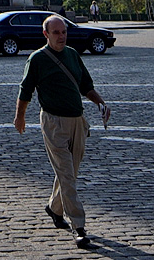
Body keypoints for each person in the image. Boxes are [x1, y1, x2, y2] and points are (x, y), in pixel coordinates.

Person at [14, 14, 112, 248]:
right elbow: (25, 90)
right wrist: (20, 116)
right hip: (53, 122)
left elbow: (86, 86)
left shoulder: (73, 55)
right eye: (56, 32)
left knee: (70, 173)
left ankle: (54, 208)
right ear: (46, 34)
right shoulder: (37, 59)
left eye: (64, 32)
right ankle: (78, 226)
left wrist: (100, 103)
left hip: (77, 121)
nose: (61, 36)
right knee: (67, 174)